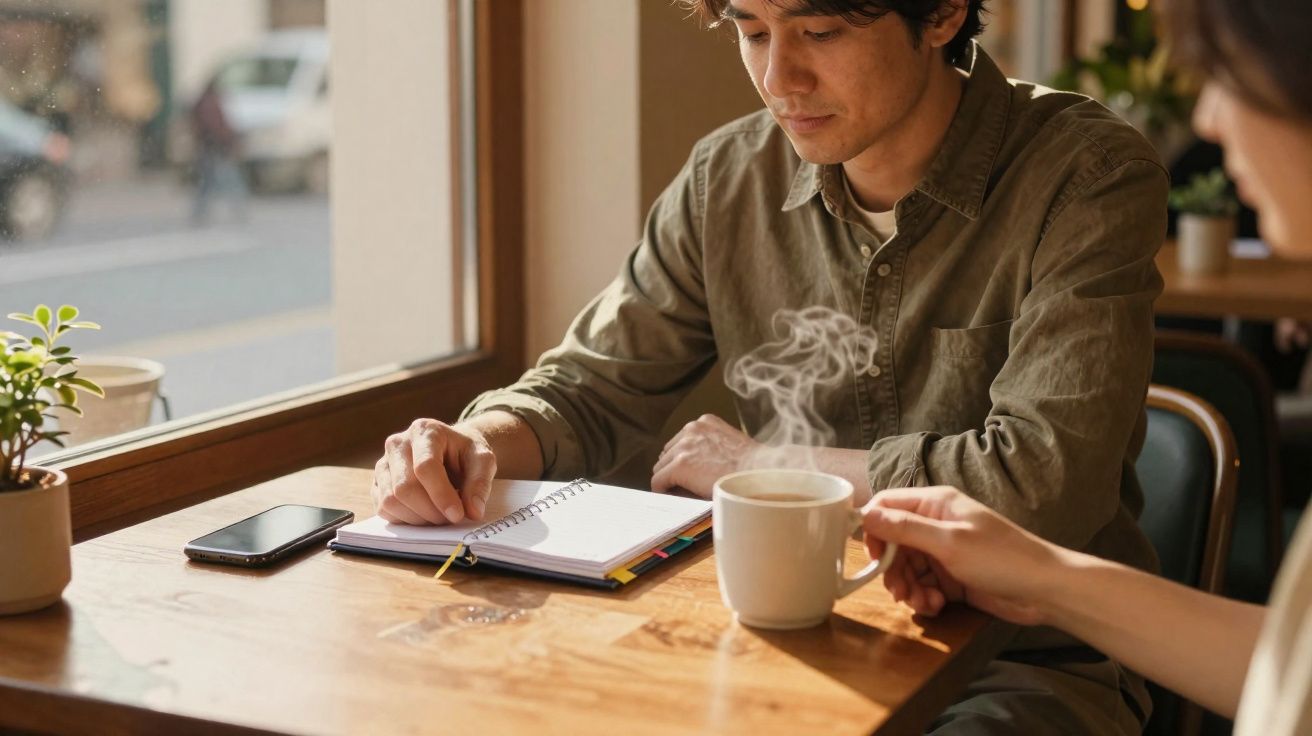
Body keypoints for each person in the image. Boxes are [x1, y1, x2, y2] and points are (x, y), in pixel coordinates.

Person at [375, 0, 1170, 730]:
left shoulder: (1086, 178)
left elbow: (1042, 487)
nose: (778, 79)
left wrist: (768, 465)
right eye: (753, 32)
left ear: (942, 14)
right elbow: (588, 387)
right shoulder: (728, 181)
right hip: (797, 639)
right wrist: (472, 443)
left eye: (818, 32)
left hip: (1024, 658)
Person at [859, 0, 1312, 732]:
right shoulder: (726, 175)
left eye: (1229, 78)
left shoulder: (1089, 170)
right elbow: (1295, 671)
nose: (1208, 120)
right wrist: (1042, 577)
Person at [190, 78, 248, 226]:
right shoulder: (210, 104)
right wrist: (230, 141)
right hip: (216, 148)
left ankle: (200, 212)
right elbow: (217, 127)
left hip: (209, 147)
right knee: (228, 180)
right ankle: (239, 209)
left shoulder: (204, 103)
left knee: (207, 183)